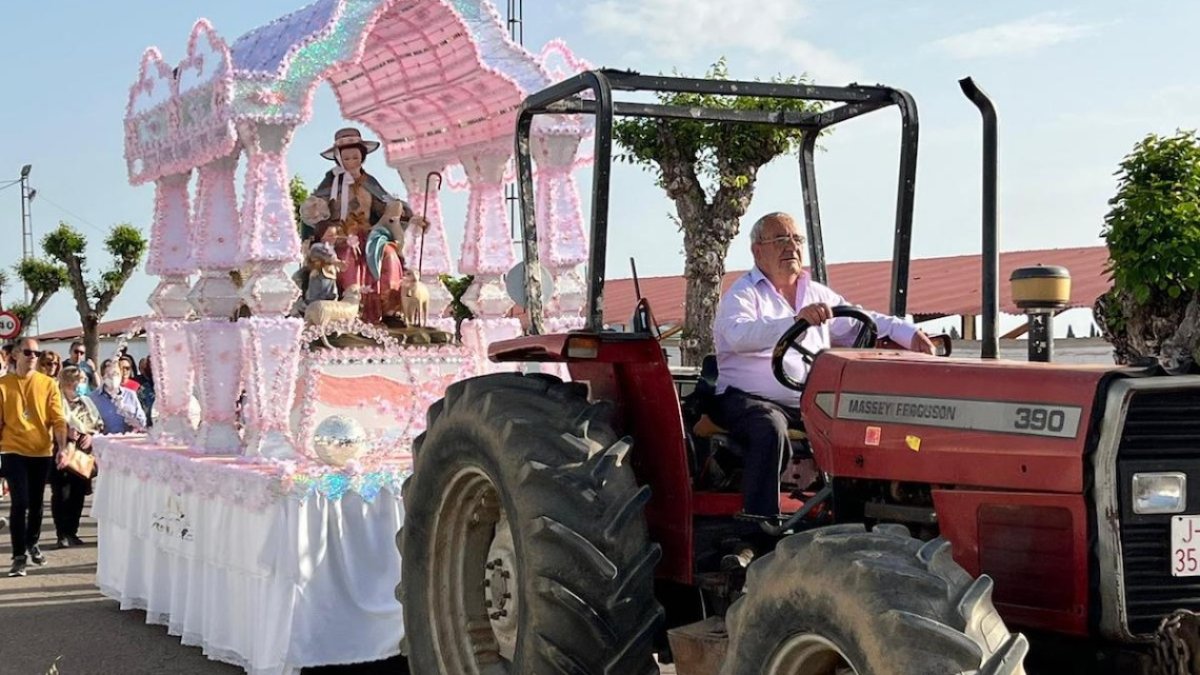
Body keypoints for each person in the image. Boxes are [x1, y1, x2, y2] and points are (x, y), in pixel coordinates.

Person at [712, 212, 935, 518]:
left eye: (796, 239)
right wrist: (794, 321)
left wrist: (908, 333)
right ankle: (757, 524)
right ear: (757, 251)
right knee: (768, 426)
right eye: (780, 239)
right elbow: (739, 336)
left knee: (864, 426)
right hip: (746, 399)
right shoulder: (743, 294)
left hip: (807, 401)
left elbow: (861, 319)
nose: (791, 246)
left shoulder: (816, 293)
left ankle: (857, 516)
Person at [304, 127, 427, 322]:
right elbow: (314, 210)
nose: (351, 162)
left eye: (355, 157)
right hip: (341, 235)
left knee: (389, 254)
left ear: (362, 157)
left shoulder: (370, 182)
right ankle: (348, 311)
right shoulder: (332, 183)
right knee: (346, 257)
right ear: (339, 159)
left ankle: (389, 310)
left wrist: (411, 217)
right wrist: (320, 215)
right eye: (346, 158)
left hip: (371, 236)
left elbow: (387, 206)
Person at [0, 338, 70, 576]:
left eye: (36, 353)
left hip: (41, 451)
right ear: (16, 354)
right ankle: (19, 555)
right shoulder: (3, 385)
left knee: (37, 502)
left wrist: (62, 447)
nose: (33, 357)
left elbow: (58, 419)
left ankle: (33, 543)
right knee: (20, 502)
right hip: (13, 450)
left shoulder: (48, 384)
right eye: (28, 352)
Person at [50, 367, 101, 548]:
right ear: (67, 384)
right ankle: (61, 533)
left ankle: (72, 531)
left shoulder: (87, 402)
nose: (80, 386)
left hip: (82, 455)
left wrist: (91, 435)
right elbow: (50, 423)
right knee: (62, 494)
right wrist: (65, 432)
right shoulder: (56, 401)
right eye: (77, 382)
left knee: (78, 494)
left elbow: (98, 424)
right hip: (61, 452)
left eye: (82, 381)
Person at [89, 361, 146, 434]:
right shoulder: (93, 398)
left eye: (116, 374)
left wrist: (131, 417)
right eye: (110, 375)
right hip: (103, 442)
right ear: (103, 376)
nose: (114, 378)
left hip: (127, 441)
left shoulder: (130, 395)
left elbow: (142, 422)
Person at [136, 357, 155, 427]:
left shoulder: (162, 384)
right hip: (144, 425)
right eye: (142, 368)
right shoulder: (137, 383)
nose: (144, 370)